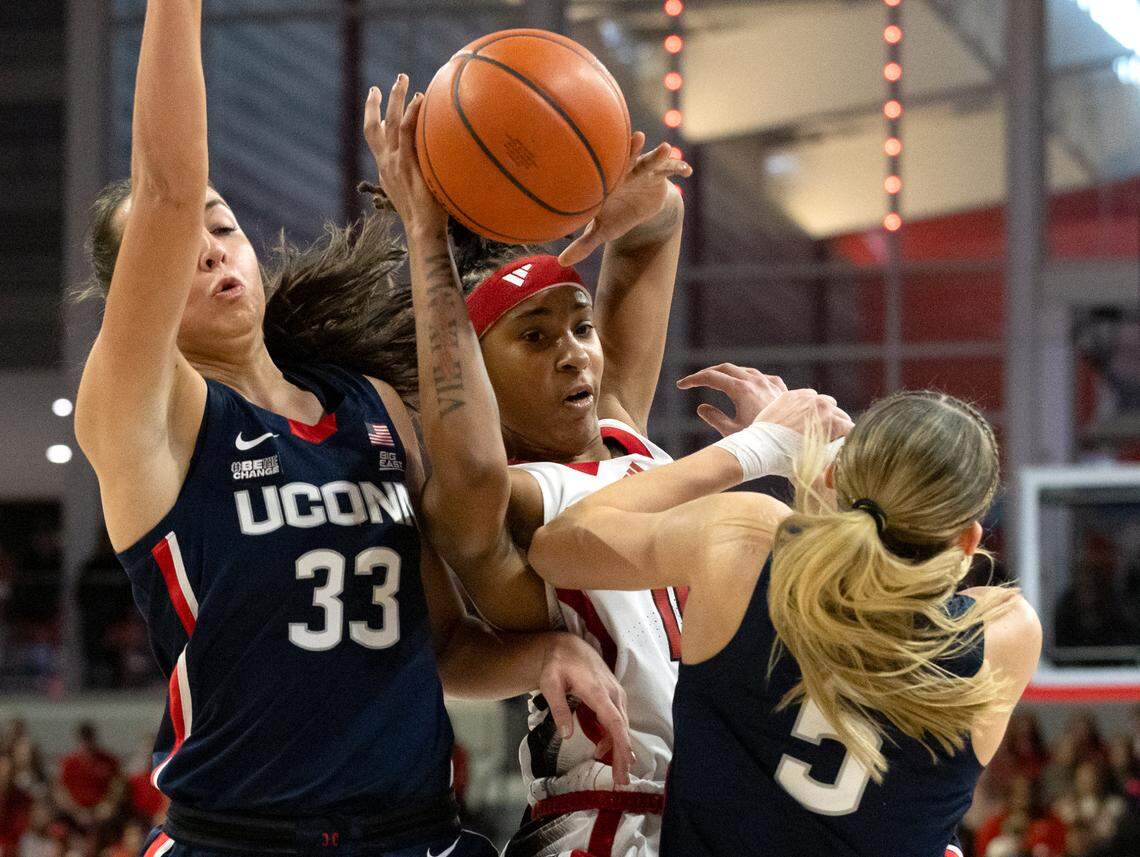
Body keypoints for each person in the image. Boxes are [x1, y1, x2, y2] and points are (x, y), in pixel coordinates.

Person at [74, 3, 629, 856]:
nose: (212, 249)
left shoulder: (370, 403)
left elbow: (441, 644)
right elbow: (169, 189)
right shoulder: (149, 417)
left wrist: (543, 655)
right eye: (182, 246)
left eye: (223, 229)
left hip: (414, 833)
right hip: (240, 838)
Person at [362, 76, 852, 857]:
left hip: (724, 810)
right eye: (534, 336)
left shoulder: (624, 433)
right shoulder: (511, 498)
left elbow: (661, 220)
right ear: (479, 380)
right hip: (612, 824)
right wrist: (427, 235)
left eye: (582, 326)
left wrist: (616, 201)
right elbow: (471, 459)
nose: (573, 352)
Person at [527, 390, 1043, 857]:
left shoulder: (746, 545)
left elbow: (556, 544)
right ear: (968, 542)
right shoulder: (1007, 634)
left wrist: (758, 449)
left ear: (830, 480)